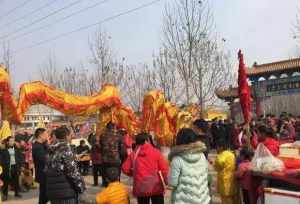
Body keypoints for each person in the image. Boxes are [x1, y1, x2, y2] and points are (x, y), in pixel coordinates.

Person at [122, 133, 169, 204]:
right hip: (155, 186)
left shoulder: (134, 154)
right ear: (146, 141)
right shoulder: (156, 152)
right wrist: (165, 181)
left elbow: (124, 168)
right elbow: (164, 169)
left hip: (140, 187)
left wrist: (134, 173)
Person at [168, 128, 210, 204]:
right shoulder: (202, 156)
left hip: (183, 200)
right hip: (202, 199)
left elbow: (173, 183)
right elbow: (206, 175)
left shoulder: (177, 159)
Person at [45, 126, 86, 204]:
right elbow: (72, 172)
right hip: (66, 192)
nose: (71, 137)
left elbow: (46, 170)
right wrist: (81, 187)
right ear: (67, 136)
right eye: (70, 135)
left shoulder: (50, 150)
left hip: (53, 192)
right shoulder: (66, 149)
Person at [100, 122, 125, 187]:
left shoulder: (102, 136)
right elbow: (122, 150)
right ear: (114, 128)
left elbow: (101, 148)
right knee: (116, 178)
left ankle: (107, 190)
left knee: (106, 178)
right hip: (116, 160)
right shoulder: (119, 136)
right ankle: (117, 192)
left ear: (106, 128)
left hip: (105, 160)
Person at [214, 139, 238, 204]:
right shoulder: (231, 154)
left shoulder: (220, 156)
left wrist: (214, 163)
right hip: (232, 179)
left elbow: (217, 166)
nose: (216, 149)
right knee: (234, 199)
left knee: (225, 200)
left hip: (224, 181)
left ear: (221, 147)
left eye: (217, 147)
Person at [0, 136, 24, 201]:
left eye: (13, 141)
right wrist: (5, 164)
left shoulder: (16, 148)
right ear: (7, 142)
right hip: (7, 167)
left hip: (15, 167)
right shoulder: (3, 149)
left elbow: (20, 157)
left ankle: (17, 193)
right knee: (6, 181)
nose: (12, 142)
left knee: (16, 180)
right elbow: (1, 159)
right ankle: (5, 195)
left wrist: (21, 165)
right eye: (11, 141)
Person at [32, 128, 49, 204]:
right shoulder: (37, 147)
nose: (47, 136)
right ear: (40, 135)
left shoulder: (42, 145)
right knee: (44, 196)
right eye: (45, 134)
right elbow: (44, 160)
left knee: (44, 195)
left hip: (45, 174)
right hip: (43, 174)